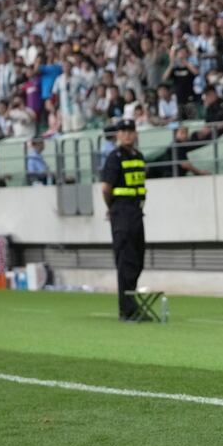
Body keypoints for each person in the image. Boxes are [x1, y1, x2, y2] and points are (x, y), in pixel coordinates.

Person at [100, 120, 146, 321]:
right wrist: (112, 208)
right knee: (125, 260)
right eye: (123, 131)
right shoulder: (114, 157)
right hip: (121, 212)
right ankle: (126, 309)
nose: (127, 135)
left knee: (137, 259)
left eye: (130, 131)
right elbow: (106, 188)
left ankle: (131, 303)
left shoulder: (139, 157)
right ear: (118, 135)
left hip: (136, 212)